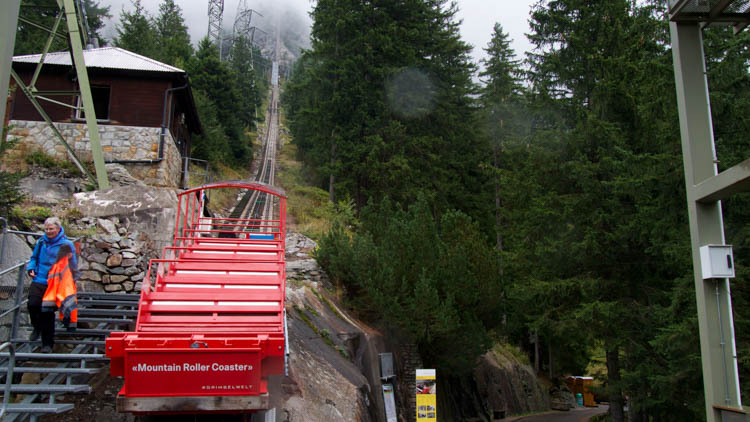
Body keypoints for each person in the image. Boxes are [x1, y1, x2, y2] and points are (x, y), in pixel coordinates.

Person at [26, 217, 78, 353]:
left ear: (58, 229)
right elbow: (34, 258)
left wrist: (71, 281)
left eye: (51, 229)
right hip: (39, 278)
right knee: (32, 304)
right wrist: (31, 268)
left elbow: (73, 265)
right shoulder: (41, 242)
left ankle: (47, 344)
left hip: (55, 283)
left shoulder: (66, 244)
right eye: (47, 229)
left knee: (47, 311)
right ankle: (37, 327)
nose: (49, 231)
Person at [42, 243, 78, 332]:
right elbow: (68, 281)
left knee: (47, 318)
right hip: (64, 292)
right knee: (71, 306)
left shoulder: (55, 265)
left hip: (50, 295)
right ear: (68, 253)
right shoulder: (65, 265)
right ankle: (70, 325)